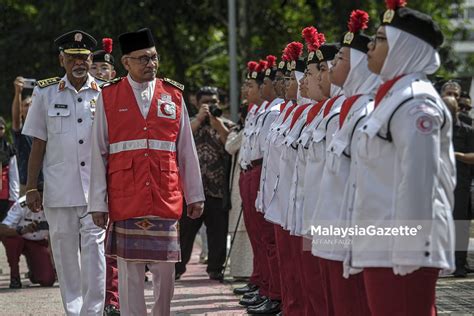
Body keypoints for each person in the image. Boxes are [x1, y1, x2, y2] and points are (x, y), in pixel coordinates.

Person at [346, 1, 456, 314]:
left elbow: (419, 182)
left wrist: (409, 251)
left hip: (401, 250)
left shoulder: (415, 103)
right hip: (381, 244)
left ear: (403, 48)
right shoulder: (392, 98)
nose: (370, 45)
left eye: (380, 39)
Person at [88, 28, 205, 316]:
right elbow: (98, 152)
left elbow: (186, 151)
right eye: (142, 59)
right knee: (129, 273)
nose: (150, 64)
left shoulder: (174, 95)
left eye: (153, 58)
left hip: (165, 196)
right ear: (125, 62)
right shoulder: (109, 96)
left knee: (165, 271)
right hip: (125, 196)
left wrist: (195, 195)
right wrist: (98, 203)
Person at [22, 30, 106, 315]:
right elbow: (38, 142)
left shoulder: (105, 91)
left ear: (91, 58)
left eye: (83, 57)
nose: (78, 63)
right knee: (66, 253)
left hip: (96, 187)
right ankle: (74, 310)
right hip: (60, 188)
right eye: (72, 57)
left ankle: (93, 311)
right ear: (62, 60)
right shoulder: (45, 93)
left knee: (95, 252)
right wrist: (31, 186)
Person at [311, 10, 379, 316]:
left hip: (354, 227)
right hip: (331, 219)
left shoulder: (366, 109)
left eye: (339, 60)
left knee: (352, 301)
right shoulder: (349, 108)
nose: (332, 68)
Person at [176, 85, 233, 281]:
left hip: (218, 189)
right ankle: (176, 268)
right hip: (190, 190)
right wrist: (200, 119)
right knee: (185, 232)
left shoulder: (227, 125)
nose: (210, 106)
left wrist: (216, 123)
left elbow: (231, 145)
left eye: (214, 103)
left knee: (218, 232)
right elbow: (176, 140)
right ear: (196, 103)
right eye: (205, 103)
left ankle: (216, 268)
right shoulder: (187, 124)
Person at [89, 37, 120, 316]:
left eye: (105, 68)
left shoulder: (119, 96)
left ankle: (112, 298)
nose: (100, 72)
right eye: (95, 66)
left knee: (112, 241)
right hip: (83, 178)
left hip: (115, 174)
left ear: (113, 72)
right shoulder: (81, 95)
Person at [2, 182, 55, 289]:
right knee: (13, 241)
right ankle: (15, 276)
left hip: (38, 243)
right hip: (20, 238)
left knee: (47, 280)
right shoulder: (22, 204)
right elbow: (2, 228)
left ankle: (34, 272)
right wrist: (21, 230)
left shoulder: (55, 206)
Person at [225, 82, 253, 280]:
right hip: (236, 183)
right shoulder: (239, 131)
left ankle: (248, 271)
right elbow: (230, 146)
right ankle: (238, 271)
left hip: (248, 179)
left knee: (249, 230)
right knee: (237, 227)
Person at [443, 95, 474, 277]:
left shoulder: (467, 131)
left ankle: (459, 265)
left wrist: (457, 155)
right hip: (438, 184)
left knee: (460, 225)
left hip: (459, 185)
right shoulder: (435, 129)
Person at [11, 77, 42, 196]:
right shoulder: (22, 130)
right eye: (26, 105)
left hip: (47, 183)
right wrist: (18, 92)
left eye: (31, 104)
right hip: (26, 185)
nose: (29, 107)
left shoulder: (46, 128)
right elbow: (16, 119)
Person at [0, 116, 20, 222]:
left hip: (4, 196)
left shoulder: (9, 148)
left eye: (1, 128)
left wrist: (14, 197)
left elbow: (14, 175)